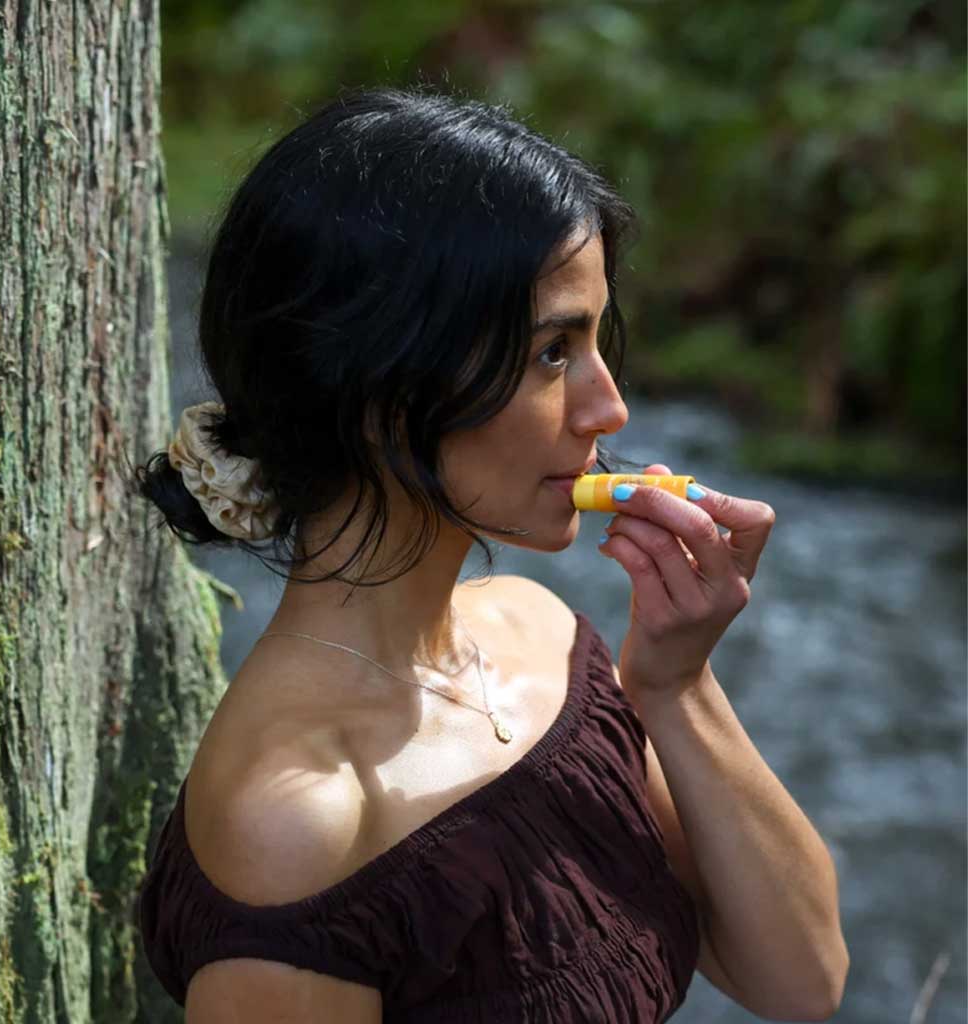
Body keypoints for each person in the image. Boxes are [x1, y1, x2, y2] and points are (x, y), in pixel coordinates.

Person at [134, 85, 848, 1023]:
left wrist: (677, 687)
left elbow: (800, 979)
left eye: (597, 340)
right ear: (379, 381)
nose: (609, 409)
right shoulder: (298, 825)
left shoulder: (541, 634)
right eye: (555, 352)